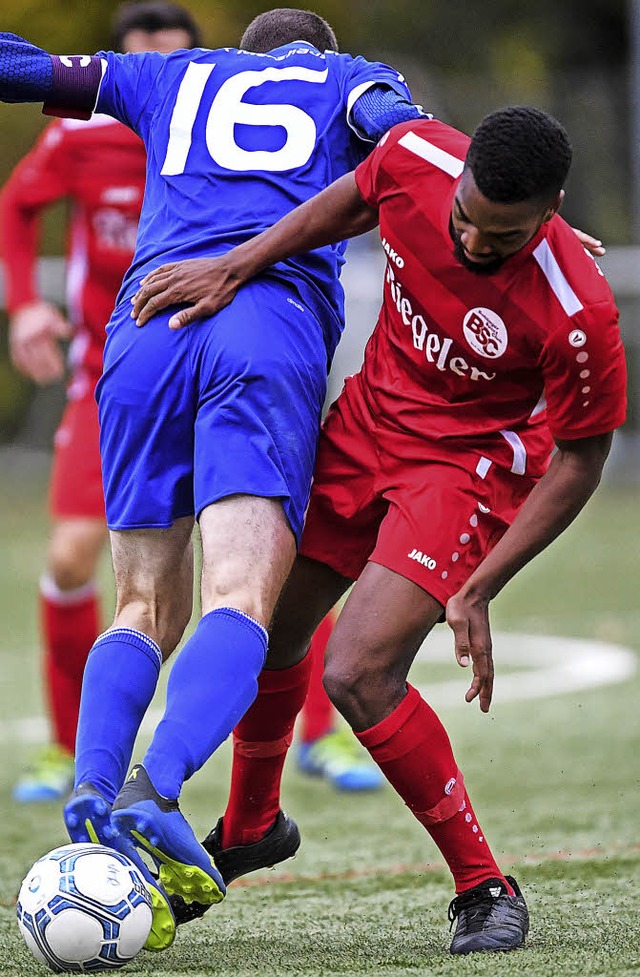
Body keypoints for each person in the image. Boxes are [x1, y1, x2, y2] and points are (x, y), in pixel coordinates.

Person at [130, 105, 627, 953]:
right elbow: (354, 199)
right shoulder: (415, 155)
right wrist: (236, 265)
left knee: (358, 670)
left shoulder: (579, 313)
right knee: (269, 631)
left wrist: (483, 581)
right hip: (366, 422)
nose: (472, 244)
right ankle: (253, 824)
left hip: (464, 468)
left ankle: (484, 886)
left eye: (500, 238)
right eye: (465, 219)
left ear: (552, 212)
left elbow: (580, 461)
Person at [0, 8, 425, 952]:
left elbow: (23, 70)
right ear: (312, 50)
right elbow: (425, 157)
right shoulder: (348, 78)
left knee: (141, 602)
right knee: (240, 593)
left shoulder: (171, 75)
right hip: (259, 325)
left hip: (147, 327)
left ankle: (94, 784)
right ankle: (158, 791)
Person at [0, 2, 203, 805]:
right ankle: (64, 746)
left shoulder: (213, 131)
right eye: (141, 50)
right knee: (71, 558)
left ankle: (318, 736)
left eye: (172, 48)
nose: (156, 62)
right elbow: (17, 206)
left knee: (261, 554)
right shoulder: (81, 134)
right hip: (108, 375)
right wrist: (25, 304)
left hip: (208, 369)